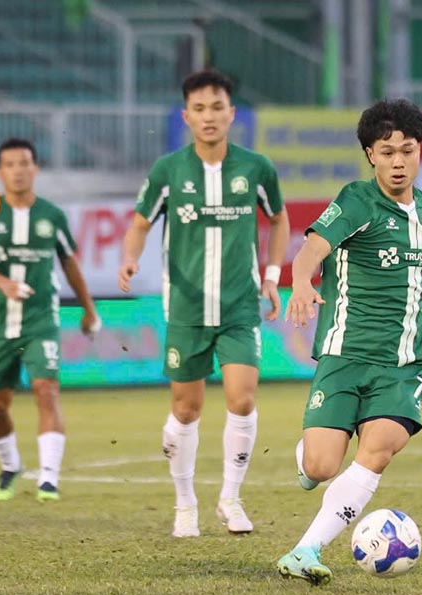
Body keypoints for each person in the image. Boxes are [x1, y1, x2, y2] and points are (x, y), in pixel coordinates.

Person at [275, 99, 422, 585]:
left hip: (402, 363)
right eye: (387, 152)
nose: (398, 162)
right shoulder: (356, 201)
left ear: (419, 152)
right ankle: (307, 457)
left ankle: (306, 549)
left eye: (407, 151)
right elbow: (311, 251)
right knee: (321, 465)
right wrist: (302, 283)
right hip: (345, 356)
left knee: (379, 450)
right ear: (370, 154)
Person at [117, 69, 290, 537]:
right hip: (187, 310)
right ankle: (185, 504)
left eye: (217, 107)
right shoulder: (168, 170)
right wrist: (130, 260)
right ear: (185, 116)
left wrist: (273, 277)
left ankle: (231, 499)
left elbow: (278, 220)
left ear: (232, 113)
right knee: (186, 409)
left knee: (243, 399)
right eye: (199, 108)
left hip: (239, 307)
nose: (209, 116)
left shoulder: (256, 168)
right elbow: (139, 222)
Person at [0, 138, 100, 502]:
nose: (18, 170)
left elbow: (70, 263)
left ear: (35, 168)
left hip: (42, 320)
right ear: (0, 172)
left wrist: (89, 309)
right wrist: (4, 284)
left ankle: (48, 479)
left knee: (47, 390)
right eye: (10, 164)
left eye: (24, 162)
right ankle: (10, 464)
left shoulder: (52, 216)